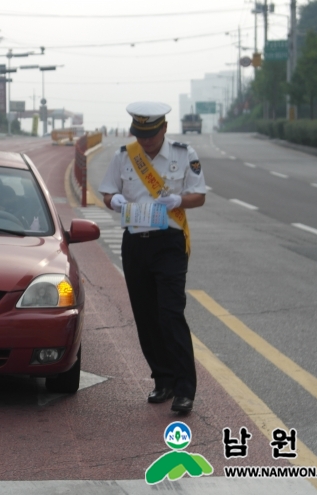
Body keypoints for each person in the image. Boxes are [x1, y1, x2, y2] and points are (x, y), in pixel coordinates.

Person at [98, 101, 206, 414]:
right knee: (145, 315)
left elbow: (199, 196)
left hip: (169, 243)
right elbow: (107, 193)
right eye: (140, 134)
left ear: (164, 129)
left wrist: (179, 199)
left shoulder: (184, 154)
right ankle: (163, 379)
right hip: (135, 243)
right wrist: (114, 200)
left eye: (151, 134)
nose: (145, 141)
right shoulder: (124, 156)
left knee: (170, 314)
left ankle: (185, 389)